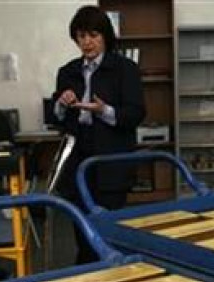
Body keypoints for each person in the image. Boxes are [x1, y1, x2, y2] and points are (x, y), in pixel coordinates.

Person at [52, 5, 145, 264]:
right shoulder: (68, 71)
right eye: (81, 36)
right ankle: (84, 276)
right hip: (78, 160)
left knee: (109, 231)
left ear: (105, 36)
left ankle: (112, 276)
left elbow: (136, 114)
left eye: (93, 35)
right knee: (81, 230)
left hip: (111, 161)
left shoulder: (125, 69)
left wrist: (104, 110)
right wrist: (62, 102)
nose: (87, 42)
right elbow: (56, 117)